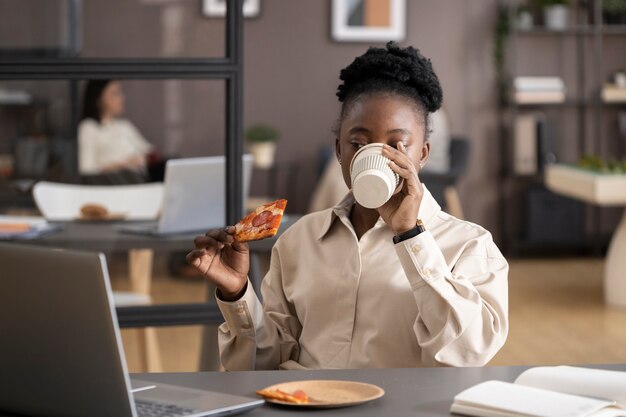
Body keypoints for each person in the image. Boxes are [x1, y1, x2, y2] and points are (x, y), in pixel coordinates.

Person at [188, 42, 508, 370]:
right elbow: (265, 366)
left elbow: (468, 354)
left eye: (398, 145)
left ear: (422, 154)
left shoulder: (470, 247)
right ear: (339, 151)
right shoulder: (298, 241)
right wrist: (237, 293)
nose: (377, 157)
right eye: (358, 143)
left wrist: (411, 236)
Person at [78, 80, 154, 181]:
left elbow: (149, 152)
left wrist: (143, 160)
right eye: (115, 93)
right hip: (113, 187)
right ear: (98, 97)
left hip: (138, 183)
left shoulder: (124, 126)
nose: (121, 97)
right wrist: (125, 165)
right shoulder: (89, 127)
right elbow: (86, 170)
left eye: (120, 92)